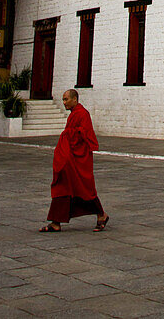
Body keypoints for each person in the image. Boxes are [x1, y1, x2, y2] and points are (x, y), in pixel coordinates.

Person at [39, 88, 109, 232]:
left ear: (75, 99)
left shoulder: (82, 114)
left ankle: (101, 215)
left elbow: (86, 135)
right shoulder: (74, 114)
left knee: (83, 188)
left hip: (78, 158)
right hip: (69, 158)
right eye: (63, 99)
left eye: (66, 99)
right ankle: (56, 222)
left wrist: (68, 134)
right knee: (63, 186)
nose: (64, 102)